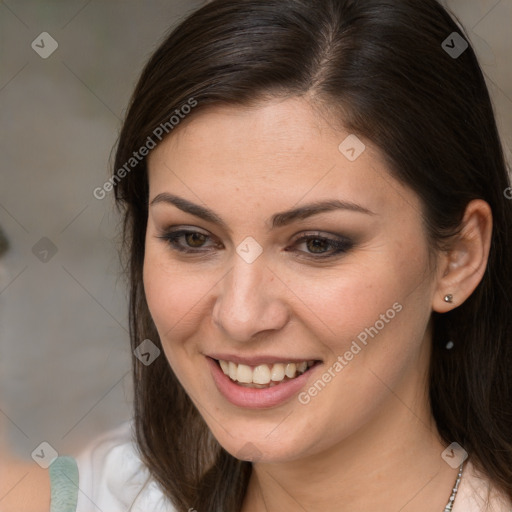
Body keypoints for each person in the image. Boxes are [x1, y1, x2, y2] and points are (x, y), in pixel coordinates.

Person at [5, 0, 512, 510]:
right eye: (193, 238)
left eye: (317, 244)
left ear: (458, 256)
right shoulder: (106, 495)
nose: (240, 316)